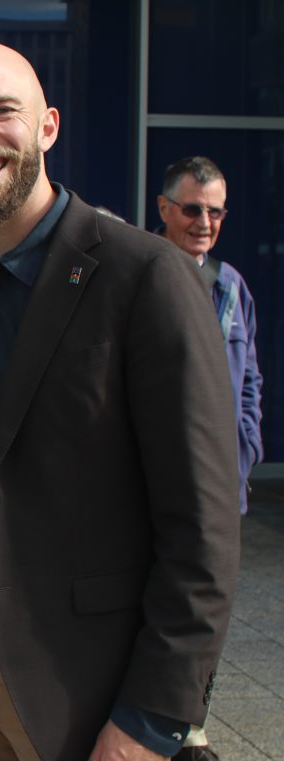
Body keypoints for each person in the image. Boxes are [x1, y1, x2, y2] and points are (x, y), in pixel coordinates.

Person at [0, 41, 241, 761]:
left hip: (80, 670)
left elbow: (203, 527)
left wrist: (154, 717)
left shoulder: (146, 277)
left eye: (0, 110)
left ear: (47, 126)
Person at [158, 156, 263, 517]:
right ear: (164, 208)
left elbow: (249, 379)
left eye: (215, 212)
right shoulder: (136, 276)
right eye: (192, 209)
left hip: (221, 488)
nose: (204, 223)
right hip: (154, 487)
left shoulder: (232, 286)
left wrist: (245, 449)